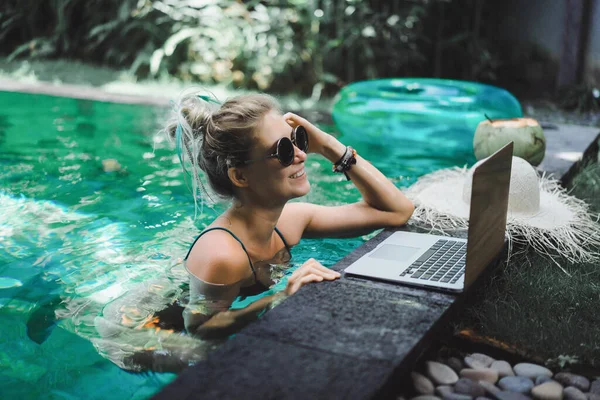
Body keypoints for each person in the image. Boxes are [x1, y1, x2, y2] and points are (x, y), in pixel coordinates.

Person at [166, 92, 415, 340]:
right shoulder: (223, 256)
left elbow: (396, 211)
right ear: (240, 176)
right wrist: (281, 298)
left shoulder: (290, 221)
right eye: (283, 150)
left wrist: (329, 145)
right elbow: (199, 329)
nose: (302, 155)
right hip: (152, 335)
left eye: (299, 140)